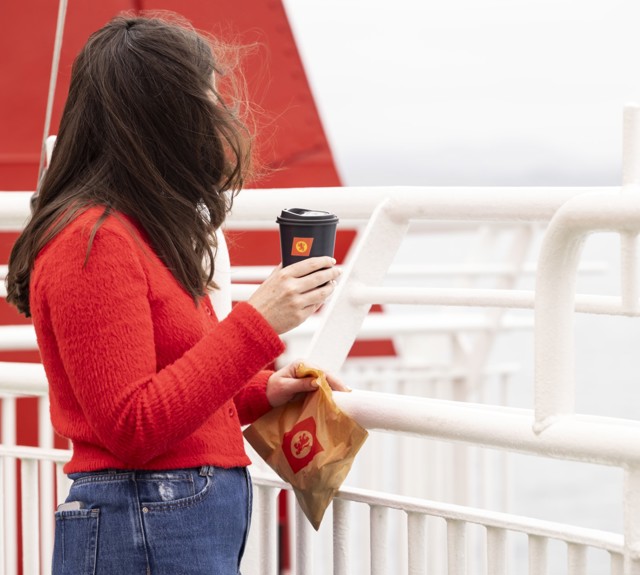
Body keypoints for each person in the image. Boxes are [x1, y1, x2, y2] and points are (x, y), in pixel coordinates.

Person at [5, 13, 345, 575]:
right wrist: (259, 323)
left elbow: (176, 389)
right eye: (206, 101)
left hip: (160, 518)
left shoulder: (132, 230)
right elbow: (133, 427)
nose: (221, 118)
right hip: (145, 519)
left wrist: (267, 390)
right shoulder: (93, 242)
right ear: (164, 118)